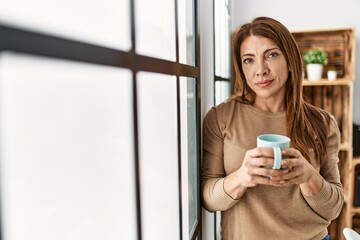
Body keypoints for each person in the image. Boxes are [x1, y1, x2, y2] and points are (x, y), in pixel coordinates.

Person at [201, 16, 344, 240]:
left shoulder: (323, 123)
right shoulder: (221, 117)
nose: (261, 70)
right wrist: (242, 177)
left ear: (290, 60)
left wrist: (308, 176)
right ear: (241, 67)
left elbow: (333, 208)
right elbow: (208, 198)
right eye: (249, 60)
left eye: (272, 55)